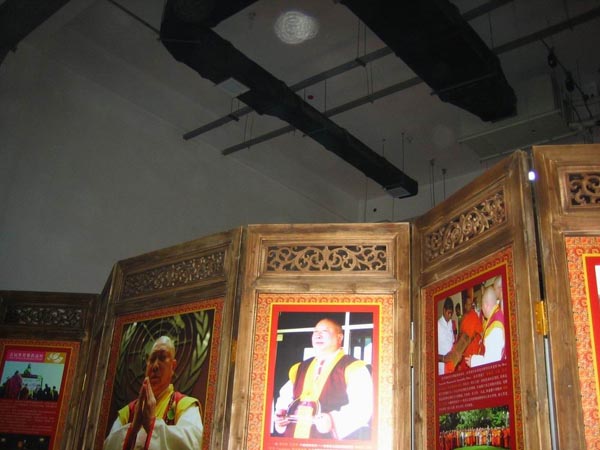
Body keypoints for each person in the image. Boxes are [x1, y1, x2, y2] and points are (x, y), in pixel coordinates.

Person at [273, 318, 373, 440]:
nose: (318, 335)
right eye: (315, 332)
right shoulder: (300, 368)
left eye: (324, 331)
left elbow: (363, 407)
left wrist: (332, 421)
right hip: (293, 439)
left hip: (329, 442)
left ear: (339, 337)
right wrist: (280, 418)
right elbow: (284, 399)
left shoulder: (353, 367)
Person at [103, 336, 203, 450]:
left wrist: (152, 424)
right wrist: (133, 429)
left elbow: (194, 443)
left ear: (173, 366)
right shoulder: (129, 412)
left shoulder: (184, 405)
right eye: (152, 359)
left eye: (162, 357)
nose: (155, 366)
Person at [466, 286, 506, 367]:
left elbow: (491, 362)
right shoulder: (497, 313)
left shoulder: (495, 327)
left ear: (486, 305)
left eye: (482, 306)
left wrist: (473, 361)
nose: (482, 309)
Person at [437, 298, 455, 375]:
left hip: (451, 365)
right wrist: (443, 358)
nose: (450, 316)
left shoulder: (451, 323)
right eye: (448, 313)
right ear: (444, 310)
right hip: (442, 367)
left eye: (451, 313)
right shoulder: (437, 325)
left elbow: (452, 342)